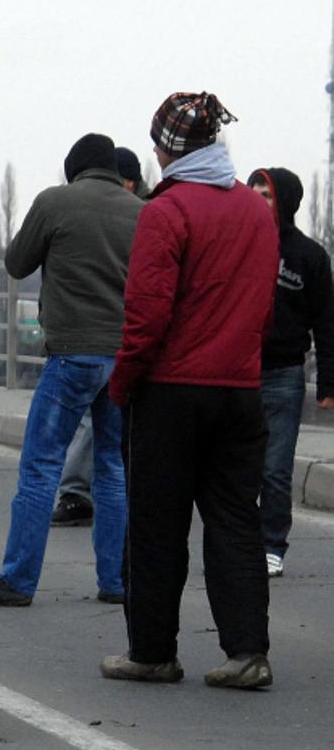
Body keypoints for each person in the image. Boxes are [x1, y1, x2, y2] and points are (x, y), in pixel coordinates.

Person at [101, 92, 278, 689]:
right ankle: (247, 653)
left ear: (166, 149)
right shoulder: (255, 211)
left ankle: (152, 652)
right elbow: (264, 307)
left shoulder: (167, 210)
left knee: (156, 525)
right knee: (236, 521)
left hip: (171, 390)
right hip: (240, 388)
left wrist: (124, 382)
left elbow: (146, 316)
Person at [0, 134, 141, 608]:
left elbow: (18, 262)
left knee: (41, 466)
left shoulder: (55, 202)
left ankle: (17, 579)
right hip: (122, 359)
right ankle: (116, 581)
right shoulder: (140, 212)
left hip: (71, 355)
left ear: (74, 169)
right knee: (112, 468)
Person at [52, 145, 150, 527]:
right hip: (124, 338)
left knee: (91, 428)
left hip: (115, 340)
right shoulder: (142, 212)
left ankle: (77, 492)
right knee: (105, 430)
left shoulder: (139, 214)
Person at [246, 167, 334, 578]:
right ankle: (238, 543)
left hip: (284, 375)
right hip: (238, 372)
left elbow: (326, 323)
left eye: (266, 194)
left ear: (284, 201)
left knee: (275, 470)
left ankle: (271, 545)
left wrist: (328, 382)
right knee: (236, 468)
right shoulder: (237, 243)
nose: (258, 200)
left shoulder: (309, 257)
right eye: (253, 192)